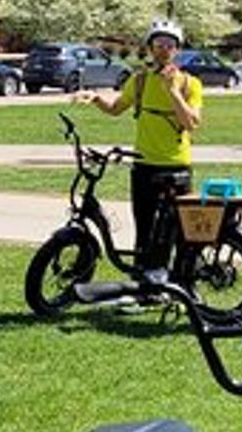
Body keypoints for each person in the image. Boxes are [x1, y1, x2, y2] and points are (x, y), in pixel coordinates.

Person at [74, 18, 204, 271]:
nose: (163, 49)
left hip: (176, 166)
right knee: (144, 229)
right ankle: (144, 287)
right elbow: (116, 108)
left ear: (177, 50)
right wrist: (96, 98)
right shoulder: (140, 81)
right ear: (151, 48)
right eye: (158, 44)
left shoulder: (190, 84)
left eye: (169, 44)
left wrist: (173, 91)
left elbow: (191, 123)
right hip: (144, 165)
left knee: (180, 232)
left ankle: (182, 284)